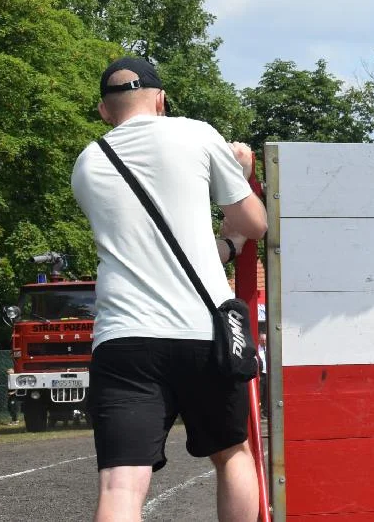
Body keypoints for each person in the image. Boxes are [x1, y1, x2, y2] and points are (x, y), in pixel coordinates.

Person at [71, 56, 268, 522]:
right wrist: (240, 172)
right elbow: (255, 223)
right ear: (161, 100)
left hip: (125, 339)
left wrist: (224, 245)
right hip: (204, 336)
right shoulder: (198, 134)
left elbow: (152, 247)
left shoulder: (88, 162)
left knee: (121, 484)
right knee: (232, 456)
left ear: (104, 111)